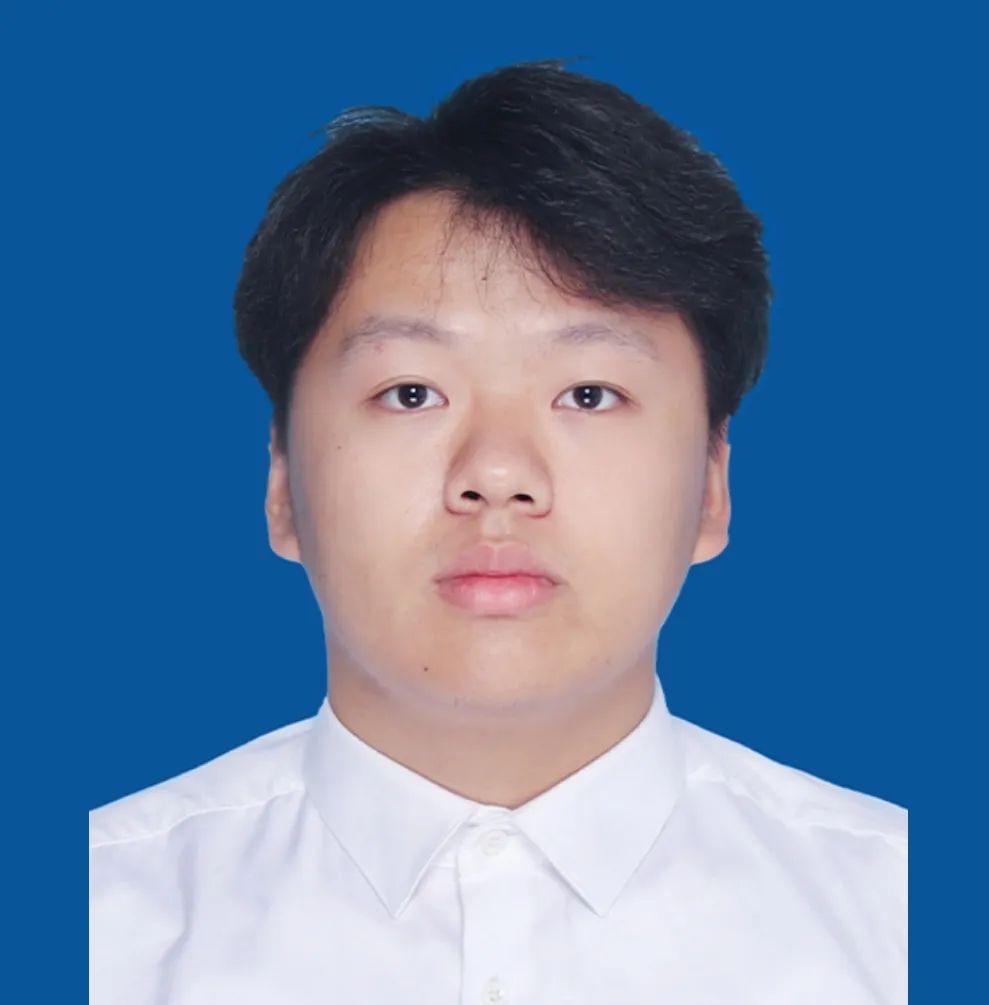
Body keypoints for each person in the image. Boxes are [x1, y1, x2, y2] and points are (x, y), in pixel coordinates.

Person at [89, 58, 907, 1004]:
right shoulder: (97, 924)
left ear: (711, 486)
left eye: (588, 393)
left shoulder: (898, 917)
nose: (497, 474)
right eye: (411, 392)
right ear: (281, 484)